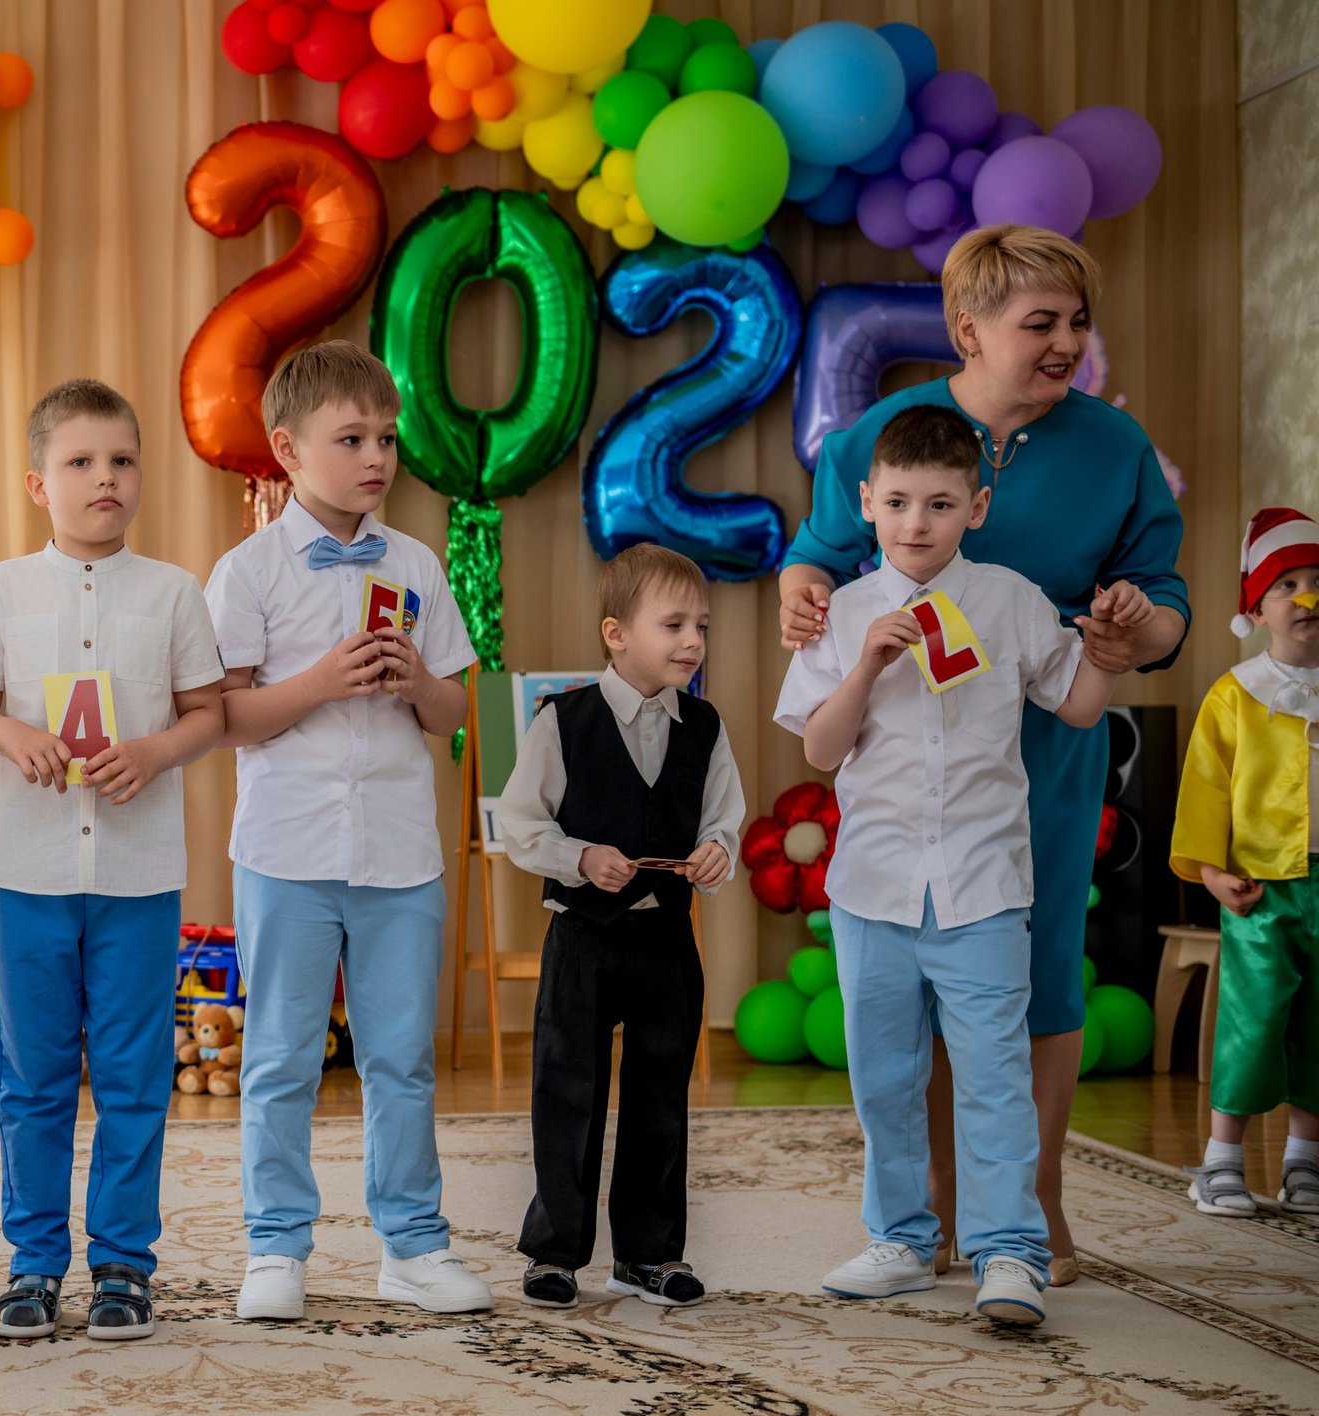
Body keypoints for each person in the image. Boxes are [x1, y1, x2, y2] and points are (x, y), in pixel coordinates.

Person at [777, 226, 1188, 1285]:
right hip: (902, 746)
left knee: (1032, 969)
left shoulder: (1113, 448)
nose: (1066, 344)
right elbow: (819, 556)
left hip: (1047, 740)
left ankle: (1031, 1203)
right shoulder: (877, 436)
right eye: (1038, 325)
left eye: (1077, 323)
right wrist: (798, 586)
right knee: (905, 982)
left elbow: (1162, 596)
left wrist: (1133, 630)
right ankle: (926, 1217)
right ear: (968, 329)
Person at [205, 339, 490, 1321]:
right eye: (351, 438)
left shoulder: (415, 563)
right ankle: (275, 1248)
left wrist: (418, 685)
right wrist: (320, 682)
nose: (377, 456)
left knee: (402, 1058)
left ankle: (412, 1245)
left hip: (400, 853)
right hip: (285, 852)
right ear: (286, 450)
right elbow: (223, 719)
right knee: (279, 1056)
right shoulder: (245, 574)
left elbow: (456, 713)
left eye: (387, 437)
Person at [0, 378, 227, 1342]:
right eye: (81, 462)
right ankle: (32, 1263)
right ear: (38, 481)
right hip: (26, 872)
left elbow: (208, 715)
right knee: (31, 1075)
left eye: (122, 460)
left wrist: (152, 753)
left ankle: (122, 1264)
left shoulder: (176, 592)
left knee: (134, 1072)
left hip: (139, 877)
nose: (105, 478)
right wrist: (11, 735)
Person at [494, 544, 744, 1310]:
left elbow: (723, 816)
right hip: (584, 937)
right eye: (673, 624)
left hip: (667, 939)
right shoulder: (562, 721)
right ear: (616, 632)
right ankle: (554, 1252)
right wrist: (578, 855)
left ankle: (649, 1254)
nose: (693, 641)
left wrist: (716, 851)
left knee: (660, 1093)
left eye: (700, 625)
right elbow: (518, 821)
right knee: (568, 1089)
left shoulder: (703, 725)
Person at [1172, 507, 1319, 1217]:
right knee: (1254, 1020)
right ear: (1257, 609)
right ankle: (1220, 1159)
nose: (1306, 597)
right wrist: (1209, 868)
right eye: (1287, 584)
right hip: (1264, 888)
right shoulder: (1236, 693)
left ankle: (1304, 1160)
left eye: (1317, 581)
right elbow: (1204, 785)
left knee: (1318, 1021)